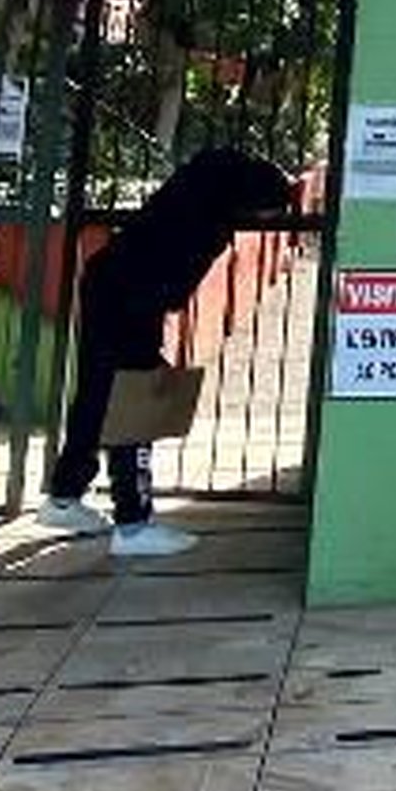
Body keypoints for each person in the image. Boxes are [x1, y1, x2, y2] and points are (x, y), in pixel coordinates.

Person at [42, 145, 298, 558]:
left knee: (97, 393)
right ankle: (133, 523)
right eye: (268, 213)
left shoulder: (198, 187)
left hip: (110, 283)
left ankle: (64, 497)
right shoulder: (208, 212)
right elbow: (172, 277)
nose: (265, 223)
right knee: (137, 400)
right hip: (133, 298)